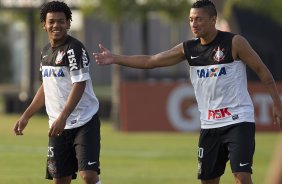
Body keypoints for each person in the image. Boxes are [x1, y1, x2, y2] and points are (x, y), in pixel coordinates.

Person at [93, 0, 282, 184]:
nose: (194, 24)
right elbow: (151, 61)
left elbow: (262, 71)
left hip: (238, 121)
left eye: (199, 19)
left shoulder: (234, 42)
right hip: (209, 125)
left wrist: (277, 104)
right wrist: (115, 58)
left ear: (213, 19)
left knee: (241, 176)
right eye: (191, 19)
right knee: (208, 180)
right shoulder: (188, 49)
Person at [13, 1, 102, 184]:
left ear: (68, 23)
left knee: (89, 175)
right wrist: (26, 116)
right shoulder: (45, 52)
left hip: (84, 121)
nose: (56, 25)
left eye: (61, 21)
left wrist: (63, 116)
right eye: (51, 21)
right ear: (43, 24)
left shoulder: (74, 49)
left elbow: (80, 84)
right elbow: (46, 86)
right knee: (60, 179)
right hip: (57, 125)